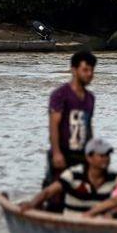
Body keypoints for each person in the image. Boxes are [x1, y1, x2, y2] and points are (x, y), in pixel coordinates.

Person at [44, 51, 98, 212]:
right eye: (85, 70)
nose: (89, 74)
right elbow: (54, 125)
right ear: (74, 70)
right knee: (56, 197)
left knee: (82, 194)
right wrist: (56, 153)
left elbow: (88, 126)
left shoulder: (90, 98)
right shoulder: (60, 94)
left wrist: (92, 154)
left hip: (81, 154)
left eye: (92, 70)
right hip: (63, 153)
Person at [21, 138, 117, 215]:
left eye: (108, 155)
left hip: (99, 226)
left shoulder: (114, 177)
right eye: (102, 156)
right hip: (72, 224)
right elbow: (48, 192)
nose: (106, 159)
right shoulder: (73, 174)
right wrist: (31, 204)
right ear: (89, 157)